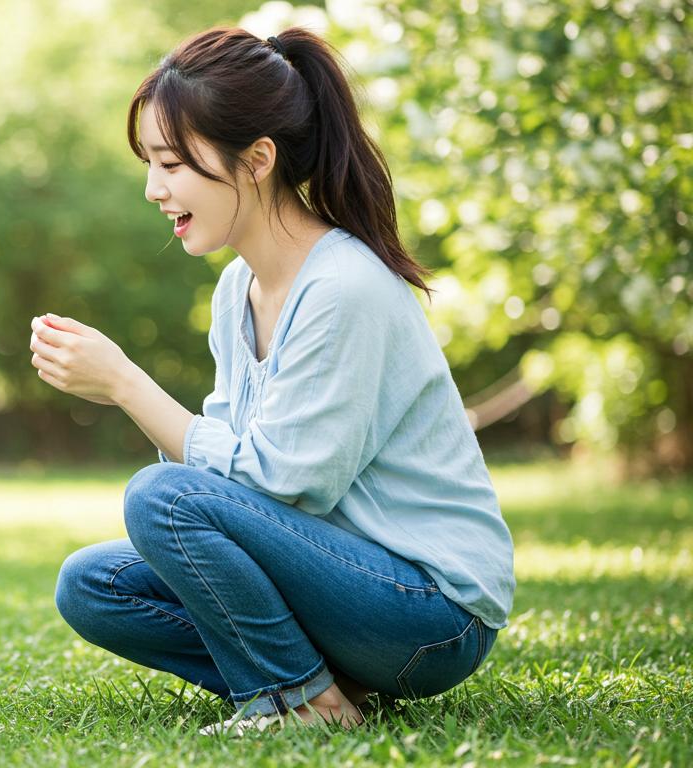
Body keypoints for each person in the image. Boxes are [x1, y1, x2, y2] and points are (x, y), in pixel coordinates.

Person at [29, 26, 514, 733]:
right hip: (340, 589)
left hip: (429, 614)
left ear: (257, 160)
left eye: (170, 163)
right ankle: (325, 681)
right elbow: (222, 484)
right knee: (92, 584)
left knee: (158, 497)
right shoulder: (238, 290)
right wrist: (122, 389)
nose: (151, 187)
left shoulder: (343, 287)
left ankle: (299, 701)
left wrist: (127, 384)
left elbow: (289, 484)